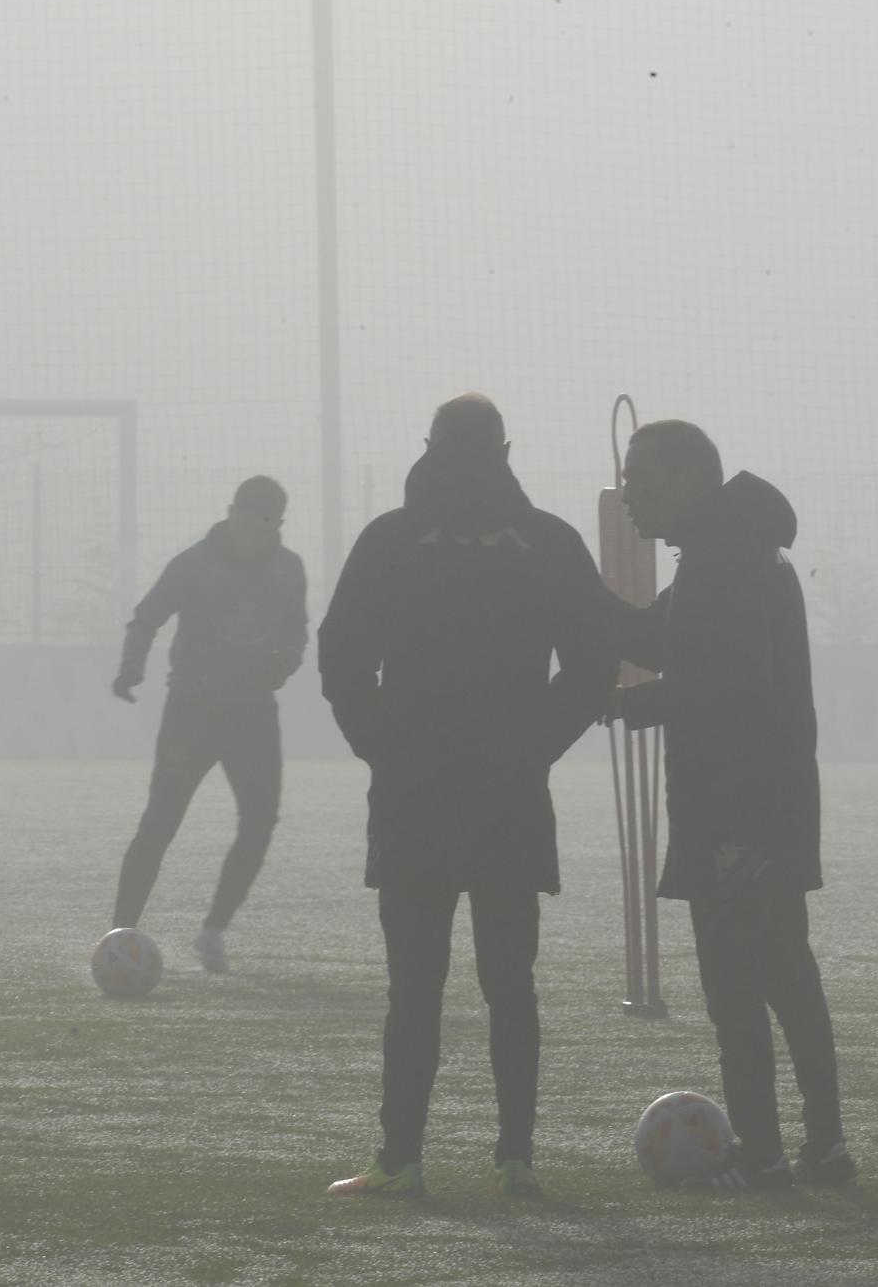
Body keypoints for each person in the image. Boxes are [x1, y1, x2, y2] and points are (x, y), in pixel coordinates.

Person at [318, 394, 615, 1199]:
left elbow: (341, 657)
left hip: (415, 794)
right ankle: (515, 1159)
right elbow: (594, 663)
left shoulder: (391, 539)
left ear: (428, 446)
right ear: (506, 449)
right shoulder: (548, 542)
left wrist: (385, 746)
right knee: (510, 983)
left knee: (414, 984)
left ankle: (400, 1160)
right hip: (509, 795)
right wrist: (533, 748)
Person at [602, 419, 853, 1190]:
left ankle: (765, 1155)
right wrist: (570, 597)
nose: (628, 491)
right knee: (785, 975)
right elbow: (657, 638)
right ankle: (822, 1148)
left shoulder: (726, 561)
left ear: (687, 476)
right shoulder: (729, 550)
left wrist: (618, 706)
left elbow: (722, 687)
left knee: (739, 988)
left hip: (737, 808)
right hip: (765, 805)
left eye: (642, 472)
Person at [109, 474, 308, 974]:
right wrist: (132, 666)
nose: (249, 535)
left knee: (260, 821)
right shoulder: (194, 564)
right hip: (192, 714)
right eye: (242, 522)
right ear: (230, 513)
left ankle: (213, 930)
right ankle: (120, 933)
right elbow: (146, 617)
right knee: (160, 822)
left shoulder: (289, 569)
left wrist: (284, 662)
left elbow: (297, 631)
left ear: (276, 525)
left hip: (254, 715)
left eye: (260, 526)